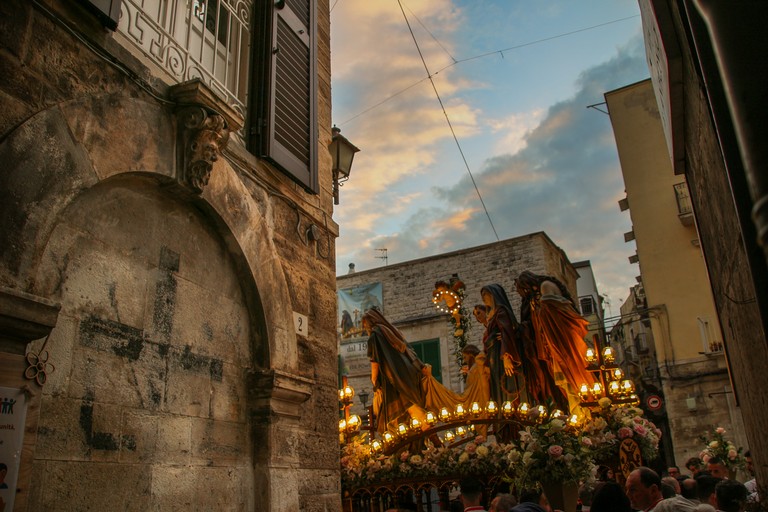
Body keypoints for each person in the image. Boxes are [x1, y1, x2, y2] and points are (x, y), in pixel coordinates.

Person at [363, 309, 459, 433]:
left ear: (370, 322)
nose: (365, 328)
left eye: (365, 324)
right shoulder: (391, 331)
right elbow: (408, 351)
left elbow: (374, 361)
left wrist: (375, 381)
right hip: (408, 376)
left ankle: (428, 441)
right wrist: (420, 366)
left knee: (409, 410)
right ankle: (425, 443)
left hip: (394, 380)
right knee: (410, 409)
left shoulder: (375, 336)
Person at [515, 271, 596, 411]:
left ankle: (588, 407)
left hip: (563, 338)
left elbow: (551, 313)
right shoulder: (537, 295)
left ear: (525, 285)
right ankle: (577, 410)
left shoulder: (545, 286)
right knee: (564, 379)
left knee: (573, 370)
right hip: (553, 341)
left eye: (520, 290)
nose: (521, 294)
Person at [480, 285, 523, 406]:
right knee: (497, 387)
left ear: (494, 295)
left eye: (485, 295)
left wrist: (506, 356)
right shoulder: (492, 314)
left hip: (500, 354)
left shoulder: (501, 311)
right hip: (494, 355)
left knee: (506, 385)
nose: (483, 298)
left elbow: (506, 332)